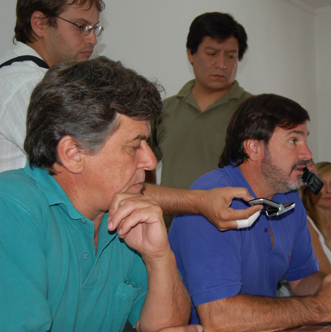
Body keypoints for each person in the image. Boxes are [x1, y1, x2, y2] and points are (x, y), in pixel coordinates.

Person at [0, 57, 262, 332]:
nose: (150, 161)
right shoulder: (12, 206)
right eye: (134, 145)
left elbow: (168, 325)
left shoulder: (123, 213)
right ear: (73, 153)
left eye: (148, 144)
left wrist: (159, 257)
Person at [169, 94, 331, 331]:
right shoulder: (210, 200)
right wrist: (319, 307)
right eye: (293, 141)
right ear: (254, 148)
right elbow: (219, 317)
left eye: (305, 140)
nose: (307, 154)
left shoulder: (289, 198)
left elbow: (301, 279)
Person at [148, 12, 252, 194]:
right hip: (171, 221)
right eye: (211, 53)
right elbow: (143, 164)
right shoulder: (164, 110)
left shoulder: (254, 110)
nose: (222, 64)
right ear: (191, 53)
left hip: (233, 220)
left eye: (230, 56)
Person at [0, 0, 105, 173]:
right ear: (40, 23)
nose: (92, 39)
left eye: (94, 28)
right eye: (81, 26)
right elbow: (80, 169)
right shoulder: (26, 85)